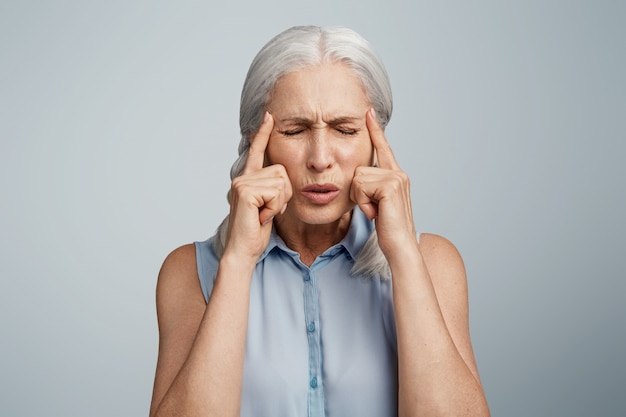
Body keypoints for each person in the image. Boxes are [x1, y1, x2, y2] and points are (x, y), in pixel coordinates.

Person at [149, 25, 490, 417]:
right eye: (294, 131)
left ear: (376, 142)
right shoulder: (188, 273)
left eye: (345, 130)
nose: (320, 158)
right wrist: (239, 261)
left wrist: (404, 257)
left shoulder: (435, 263)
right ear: (254, 142)